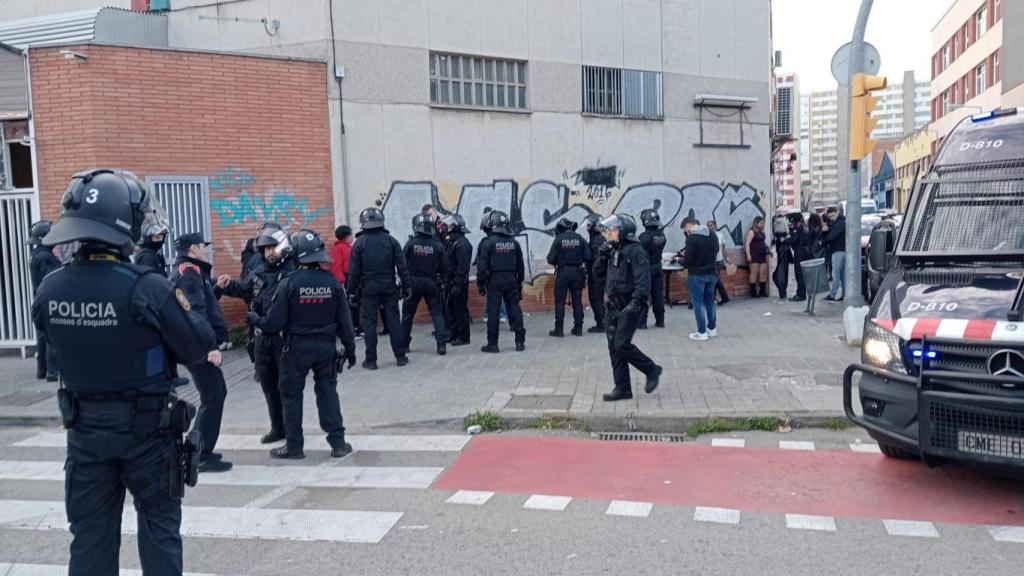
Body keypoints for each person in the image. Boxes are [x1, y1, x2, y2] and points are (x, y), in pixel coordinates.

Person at [32, 168, 214, 576]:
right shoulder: (147, 287)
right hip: (148, 434)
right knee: (160, 533)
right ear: (124, 223)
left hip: (84, 435)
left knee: (91, 539)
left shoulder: (50, 288)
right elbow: (197, 344)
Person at [247, 229, 357, 459]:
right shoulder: (333, 283)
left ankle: (294, 446)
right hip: (326, 348)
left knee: (291, 396)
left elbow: (273, 323)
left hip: (295, 349)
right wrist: (351, 350)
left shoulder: (289, 284)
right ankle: (338, 443)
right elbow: (346, 323)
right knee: (328, 393)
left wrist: (256, 319)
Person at [216, 223, 292, 444]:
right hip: (261, 339)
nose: (270, 252)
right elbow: (243, 289)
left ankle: (292, 431)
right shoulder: (257, 273)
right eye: (266, 249)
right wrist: (226, 285)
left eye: (273, 248)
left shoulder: (291, 273)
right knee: (268, 386)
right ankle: (277, 428)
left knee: (286, 387)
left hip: (283, 338)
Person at [171, 232, 232, 473]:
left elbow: (203, 303)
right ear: (193, 248)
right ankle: (199, 455)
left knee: (215, 394)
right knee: (213, 396)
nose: (205, 250)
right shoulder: (190, 273)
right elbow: (195, 312)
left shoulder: (193, 272)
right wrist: (210, 347)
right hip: (198, 347)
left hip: (194, 345)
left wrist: (215, 288)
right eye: (202, 246)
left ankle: (201, 448)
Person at [599, 214, 662, 401]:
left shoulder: (636, 251)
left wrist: (636, 302)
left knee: (621, 344)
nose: (609, 233)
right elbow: (597, 275)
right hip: (613, 305)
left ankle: (651, 369)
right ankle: (622, 388)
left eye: (613, 230)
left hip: (631, 305)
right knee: (613, 347)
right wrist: (602, 257)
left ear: (624, 231)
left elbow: (643, 280)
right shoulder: (613, 250)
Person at [347, 207, 409, 369]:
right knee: (394, 321)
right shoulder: (391, 241)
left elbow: (354, 272)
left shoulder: (359, 243)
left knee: (369, 324)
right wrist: (407, 285)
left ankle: (371, 360)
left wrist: (351, 292)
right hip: (389, 286)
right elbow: (402, 267)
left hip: (369, 287)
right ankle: (400, 356)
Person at [476, 210, 526, 352]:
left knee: (493, 312)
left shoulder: (488, 243)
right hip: (511, 279)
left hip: (494, 280)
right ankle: (520, 342)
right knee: (515, 309)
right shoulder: (514, 242)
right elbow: (520, 265)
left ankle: (493, 344)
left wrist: (481, 284)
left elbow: (482, 266)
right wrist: (519, 281)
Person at [402, 213, 450, 355]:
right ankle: (441, 345)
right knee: (437, 313)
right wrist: (442, 281)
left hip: (413, 282)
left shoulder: (410, 244)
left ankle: (404, 345)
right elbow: (445, 267)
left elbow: (402, 265)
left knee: (407, 315)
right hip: (431, 282)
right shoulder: (438, 245)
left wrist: (404, 283)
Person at [27, 220, 61, 381]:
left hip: (39, 298)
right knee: (51, 335)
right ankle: (52, 371)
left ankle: (42, 370)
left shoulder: (36, 254)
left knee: (42, 336)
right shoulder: (45, 256)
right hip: (47, 298)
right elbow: (51, 277)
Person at [546, 217, 590, 337]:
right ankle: (578, 328)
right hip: (577, 273)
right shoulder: (580, 239)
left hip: (563, 273)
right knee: (577, 301)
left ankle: (559, 330)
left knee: (559, 302)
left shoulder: (559, 239)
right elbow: (588, 256)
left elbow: (550, 258)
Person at [680, 217, 721, 341]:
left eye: (685, 230)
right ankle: (712, 329)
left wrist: (681, 260)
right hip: (712, 273)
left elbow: (688, 260)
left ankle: (702, 332)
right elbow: (716, 251)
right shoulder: (713, 235)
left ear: (688, 226)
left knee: (698, 304)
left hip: (697, 275)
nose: (686, 233)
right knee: (710, 301)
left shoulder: (692, 238)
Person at [443, 214, 473, 346]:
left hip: (458, 282)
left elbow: (463, 266)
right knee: (451, 309)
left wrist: (458, 283)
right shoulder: (452, 242)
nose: (446, 228)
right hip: (450, 282)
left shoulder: (462, 244)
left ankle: (464, 336)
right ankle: (453, 334)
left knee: (460, 310)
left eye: (449, 226)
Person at [638, 209, 667, 328]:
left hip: (645, 268)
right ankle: (660, 321)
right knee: (657, 296)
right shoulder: (662, 236)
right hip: (658, 267)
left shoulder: (643, 237)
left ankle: (642, 322)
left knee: (643, 295)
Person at [582, 213, 608, 333]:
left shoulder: (595, 242)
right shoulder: (601, 239)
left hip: (596, 275)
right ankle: (603, 322)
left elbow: (593, 259)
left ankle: (601, 324)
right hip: (601, 274)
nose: (587, 228)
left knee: (595, 299)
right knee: (599, 299)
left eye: (589, 225)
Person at [783, 215, 811, 302]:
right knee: (803, 274)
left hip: (800, 252)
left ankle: (800, 294)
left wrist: (785, 240)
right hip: (806, 251)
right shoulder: (805, 225)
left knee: (799, 274)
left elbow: (794, 239)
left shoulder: (798, 226)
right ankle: (802, 293)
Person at [822, 207, 846, 302]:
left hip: (838, 251)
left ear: (837, 213)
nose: (831, 218)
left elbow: (831, 236)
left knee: (836, 274)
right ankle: (844, 295)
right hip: (842, 251)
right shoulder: (838, 222)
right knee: (843, 275)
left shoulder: (840, 223)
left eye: (833, 215)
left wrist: (822, 242)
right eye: (830, 216)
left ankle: (832, 295)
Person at [707, 220, 731, 305]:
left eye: (711, 225)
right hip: (710, 262)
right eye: (708, 225)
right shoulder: (706, 236)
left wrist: (727, 259)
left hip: (719, 261)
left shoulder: (720, 235)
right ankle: (724, 298)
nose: (710, 227)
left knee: (714, 279)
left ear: (715, 226)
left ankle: (714, 299)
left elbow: (723, 249)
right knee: (715, 279)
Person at [745, 216, 769, 297]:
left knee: (763, 272)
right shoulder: (751, 232)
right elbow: (747, 244)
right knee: (754, 273)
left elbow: (763, 243)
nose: (762, 225)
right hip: (754, 254)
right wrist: (748, 255)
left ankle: (762, 291)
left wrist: (769, 251)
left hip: (762, 254)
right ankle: (753, 291)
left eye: (763, 223)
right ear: (755, 223)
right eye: (761, 223)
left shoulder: (762, 232)